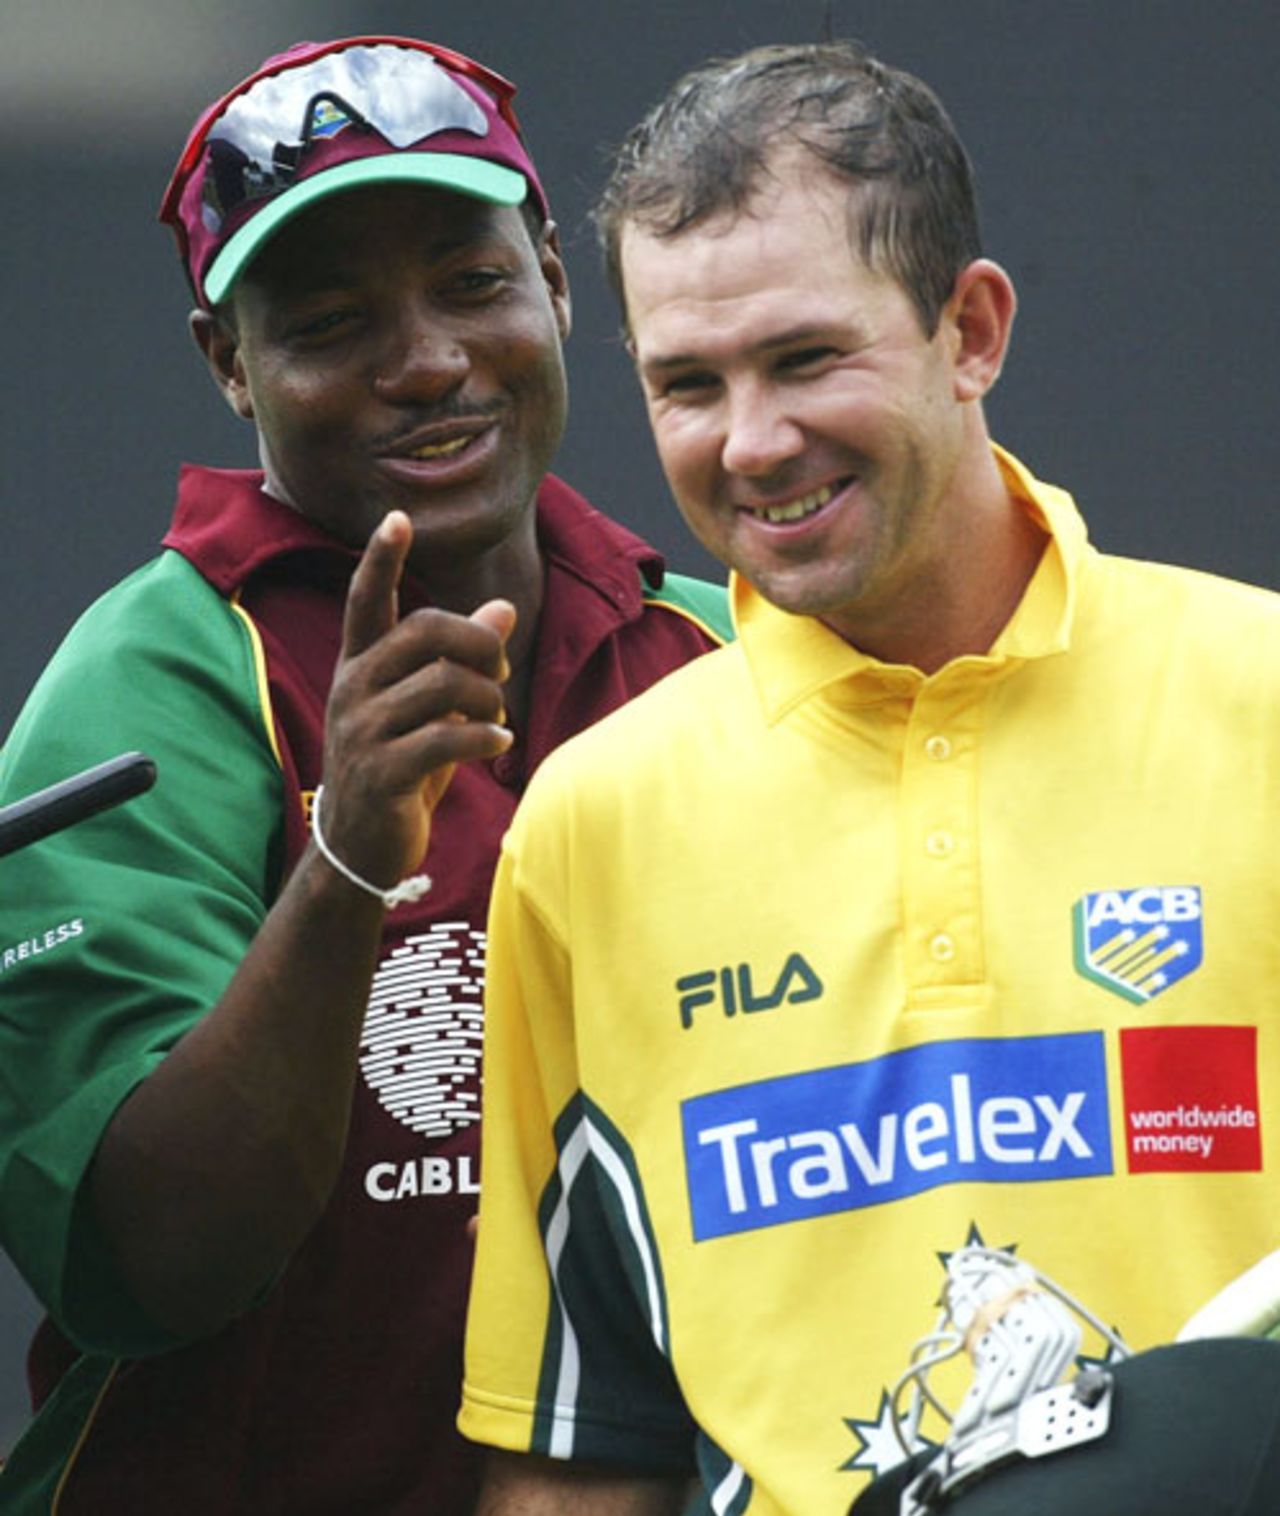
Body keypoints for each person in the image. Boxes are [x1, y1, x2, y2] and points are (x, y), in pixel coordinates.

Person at [458, 38, 1280, 1516]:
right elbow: (577, 1459)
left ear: (970, 331)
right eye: (688, 383)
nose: (752, 444)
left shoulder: (1264, 703)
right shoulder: (589, 823)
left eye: (805, 357)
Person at [0, 34, 729, 1515]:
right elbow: (155, 1266)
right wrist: (343, 871)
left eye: (472, 285)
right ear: (230, 366)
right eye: (331, 321)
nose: (425, 361)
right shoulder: (153, 684)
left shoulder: (722, 657)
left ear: (557, 284)